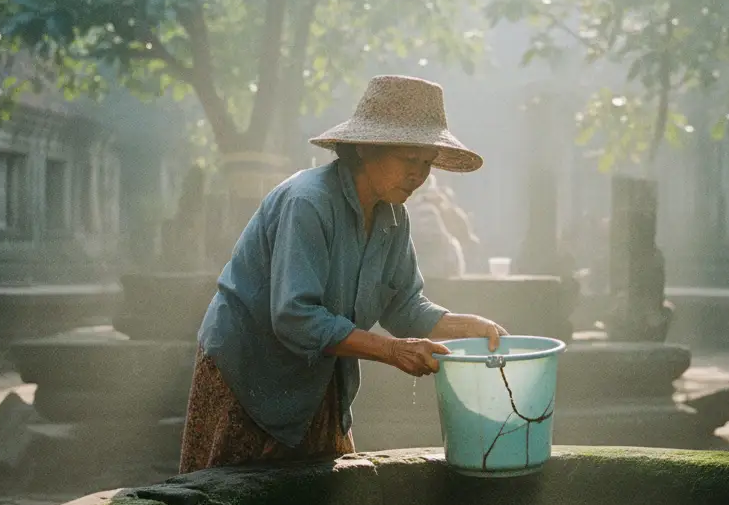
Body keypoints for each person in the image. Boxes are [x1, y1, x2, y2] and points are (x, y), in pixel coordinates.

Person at [180, 75, 508, 473]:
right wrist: (392, 351)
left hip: (317, 376)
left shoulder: (392, 215)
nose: (419, 176)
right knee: (231, 504)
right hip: (248, 372)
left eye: (426, 163)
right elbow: (295, 317)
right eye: (409, 161)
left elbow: (404, 306)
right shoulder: (309, 202)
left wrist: (467, 326)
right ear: (368, 150)